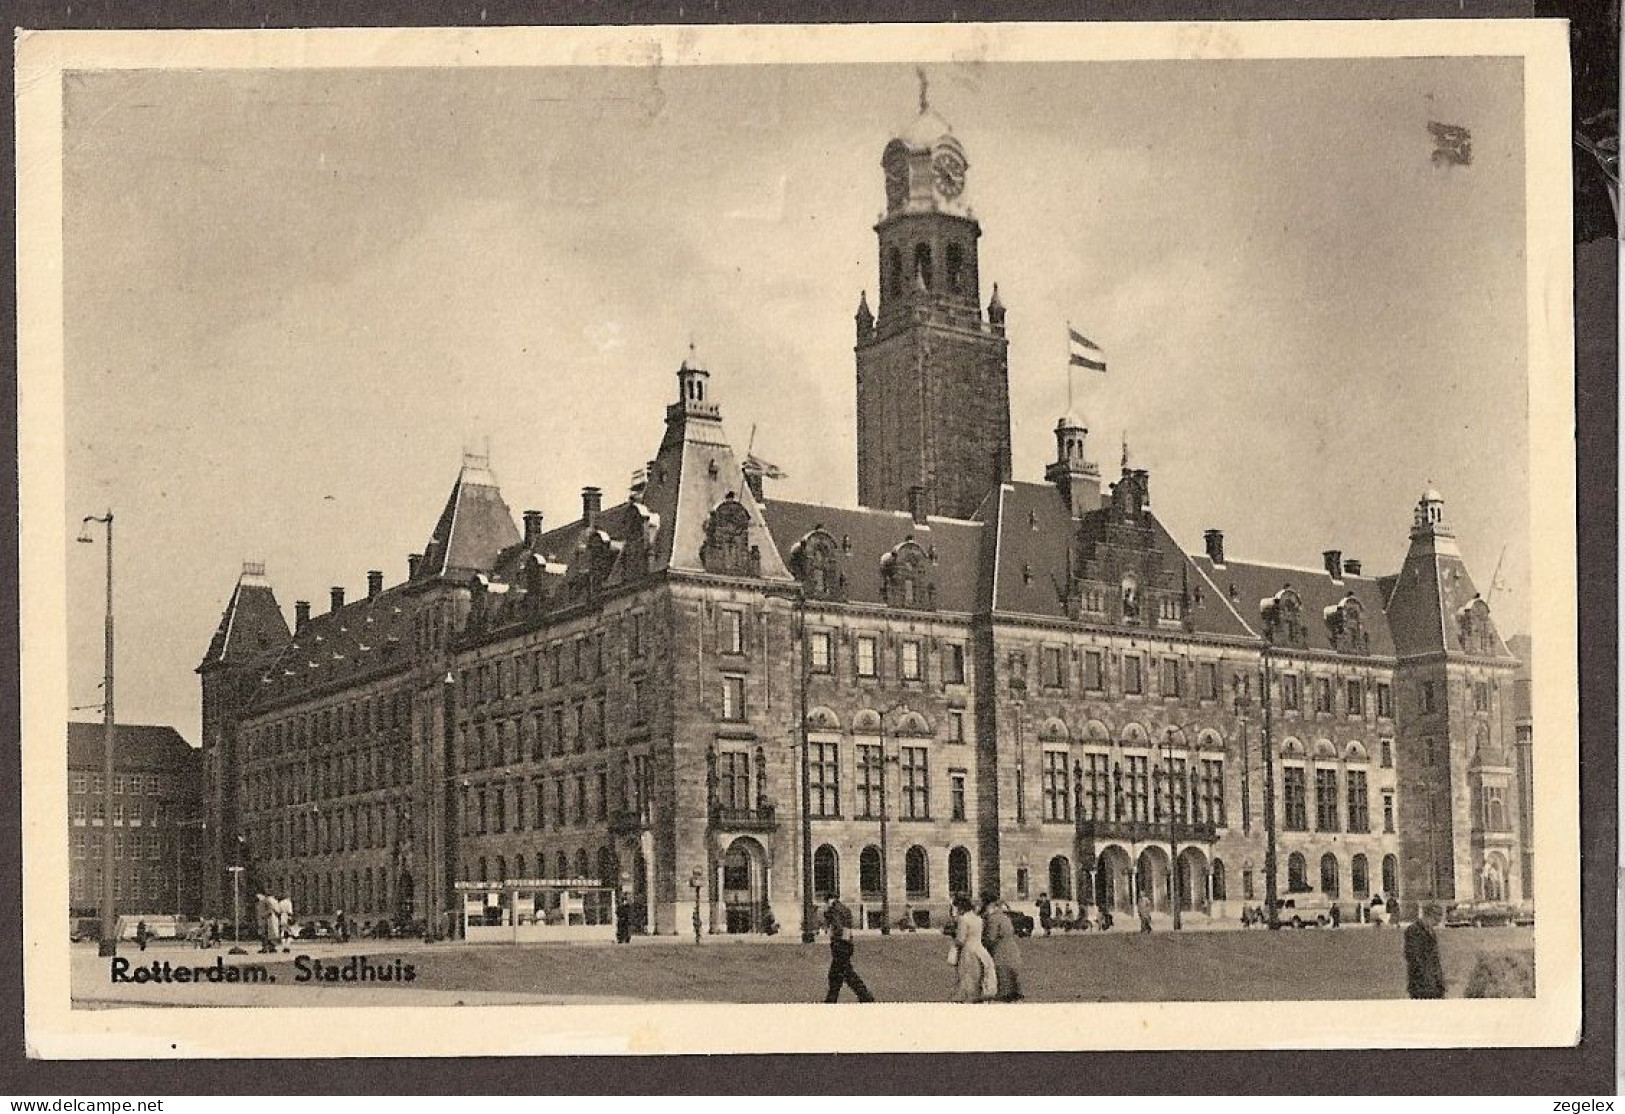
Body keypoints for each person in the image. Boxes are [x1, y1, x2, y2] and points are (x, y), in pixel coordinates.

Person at [821, 896, 874, 1003]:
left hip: (840, 944)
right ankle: (831, 999)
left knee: (845, 974)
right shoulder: (845, 909)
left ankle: (865, 996)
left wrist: (835, 937)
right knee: (837, 974)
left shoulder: (834, 910)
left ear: (829, 901)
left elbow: (838, 926)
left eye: (825, 903)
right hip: (847, 943)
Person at [949, 894, 996, 1002]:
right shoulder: (978, 919)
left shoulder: (963, 919)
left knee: (967, 975)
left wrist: (954, 942)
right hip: (979, 948)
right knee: (980, 973)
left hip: (968, 949)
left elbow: (961, 939)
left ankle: (967, 997)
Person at [981, 895, 1025, 1002]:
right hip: (1012, 950)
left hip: (1001, 952)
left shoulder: (993, 919)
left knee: (1003, 980)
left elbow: (991, 938)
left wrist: (981, 943)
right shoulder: (1005, 918)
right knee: (1013, 979)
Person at [1404, 904, 1447, 999]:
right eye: (1435, 920)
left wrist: (1439, 980)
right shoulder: (1413, 931)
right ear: (1428, 916)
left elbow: (1435, 958)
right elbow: (1414, 957)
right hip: (1421, 984)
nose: (1436, 924)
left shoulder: (1431, 931)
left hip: (1434, 984)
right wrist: (1427, 978)